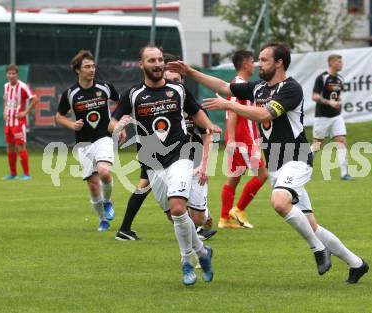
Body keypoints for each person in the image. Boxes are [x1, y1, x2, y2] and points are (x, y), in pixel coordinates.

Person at [167, 42, 369, 283]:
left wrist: (228, 104)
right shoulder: (259, 88)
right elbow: (223, 86)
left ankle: (318, 250)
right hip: (276, 165)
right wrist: (190, 72)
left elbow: (265, 114)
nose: (258, 64)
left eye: (263, 60)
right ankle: (357, 264)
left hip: (297, 160)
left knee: (279, 201)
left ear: (279, 62)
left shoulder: (291, 88)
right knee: (311, 225)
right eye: (259, 59)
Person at [109, 45, 220, 286]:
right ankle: (202, 251)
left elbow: (197, 113)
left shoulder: (178, 90)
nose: (158, 64)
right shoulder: (132, 94)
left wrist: (209, 126)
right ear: (142, 65)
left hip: (180, 156)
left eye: (160, 59)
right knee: (174, 216)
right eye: (152, 60)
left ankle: (187, 262)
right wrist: (118, 130)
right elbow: (113, 121)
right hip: (152, 163)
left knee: (179, 208)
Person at [56, 50, 118, 232]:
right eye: (87, 67)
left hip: (103, 138)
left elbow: (120, 105)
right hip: (83, 144)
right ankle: (103, 220)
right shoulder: (71, 93)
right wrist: (71, 124)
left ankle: (108, 203)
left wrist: (117, 125)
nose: (92, 70)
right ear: (77, 70)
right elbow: (59, 116)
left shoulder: (105, 87)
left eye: (93, 66)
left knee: (104, 172)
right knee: (93, 186)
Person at [219, 50, 268, 229]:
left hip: (244, 137)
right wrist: (231, 139)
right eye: (253, 61)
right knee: (263, 175)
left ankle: (224, 219)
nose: (255, 64)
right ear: (245, 63)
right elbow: (231, 111)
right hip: (242, 138)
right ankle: (238, 210)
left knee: (234, 177)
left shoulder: (242, 84)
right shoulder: (237, 85)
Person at [311, 54, 353, 181]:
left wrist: (336, 104)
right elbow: (314, 96)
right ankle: (304, 170)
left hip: (336, 116)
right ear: (332, 63)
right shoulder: (322, 77)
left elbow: (336, 96)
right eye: (339, 62)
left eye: (341, 61)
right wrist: (329, 102)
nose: (341, 64)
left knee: (341, 141)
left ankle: (344, 173)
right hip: (322, 117)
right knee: (317, 145)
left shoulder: (340, 79)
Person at [3, 64, 38, 180]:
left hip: (19, 122)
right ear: (6, 75)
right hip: (8, 122)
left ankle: (26, 174)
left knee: (21, 146)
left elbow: (35, 99)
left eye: (13, 73)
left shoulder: (23, 86)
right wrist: (4, 110)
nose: (11, 75)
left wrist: (25, 112)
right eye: (9, 73)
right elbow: (6, 100)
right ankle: (13, 174)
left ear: (17, 74)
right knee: (9, 146)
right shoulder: (6, 86)